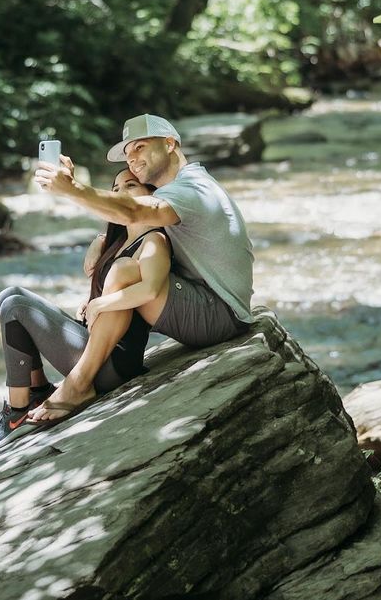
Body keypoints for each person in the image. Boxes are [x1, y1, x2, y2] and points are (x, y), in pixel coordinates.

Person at [29, 113, 254, 424]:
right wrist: (101, 238)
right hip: (210, 306)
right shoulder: (182, 187)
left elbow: (135, 211)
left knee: (123, 271)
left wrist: (73, 189)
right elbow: (137, 219)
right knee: (125, 268)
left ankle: (80, 383)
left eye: (140, 147)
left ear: (171, 144)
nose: (132, 159)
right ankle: (94, 367)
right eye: (127, 152)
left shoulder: (191, 190)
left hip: (219, 315)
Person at [0, 169, 171, 452]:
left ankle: (17, 411)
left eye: (130, 186)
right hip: (96, 347)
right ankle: (37, 391)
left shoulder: (154, 240)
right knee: (8, 296)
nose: (119, 193)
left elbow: (151, 289)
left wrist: (101, 303)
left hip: (112, 364)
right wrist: (100, 241)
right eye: (115, 187)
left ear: (152, 196)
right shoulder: (118, 244)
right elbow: (90, 270)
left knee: (15, 304)